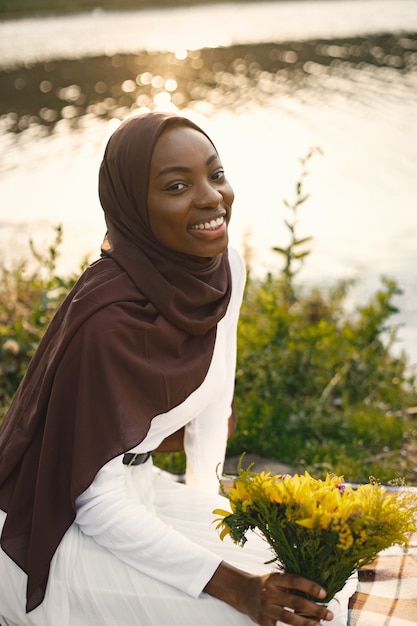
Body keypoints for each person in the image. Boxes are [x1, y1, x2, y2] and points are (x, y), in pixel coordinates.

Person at [0, 111, 355, 626]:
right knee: (264, 617)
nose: (211, 197)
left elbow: (214, 409)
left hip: (140, 496)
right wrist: (237, 587)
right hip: (55, 528)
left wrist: (210, 525)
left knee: (318, 591)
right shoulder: (107, 322)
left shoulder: (223, 268)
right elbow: (93, 502)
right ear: (133, 209)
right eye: (176, 185)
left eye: (216, 174)